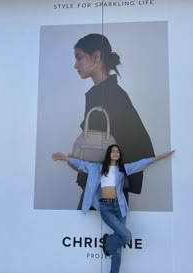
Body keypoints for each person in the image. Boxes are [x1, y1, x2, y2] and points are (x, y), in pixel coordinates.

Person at [52, 144, 174, 273]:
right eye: (113, 151)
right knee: (126, 236)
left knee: (118, 251)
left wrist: (161, 156)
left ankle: (110, 246)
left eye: (118, 151)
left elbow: (142, 163)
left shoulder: (123, 169)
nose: (116, 153)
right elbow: (81, 164)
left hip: (120, 207)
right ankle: (109, 242)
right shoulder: (97, 168)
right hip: (106, 207)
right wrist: (65, 158)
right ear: (109, 154)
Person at [73, 33, 155, 209]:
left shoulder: (110, 95)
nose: (75, 65)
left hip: (104, 186)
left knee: (95, 230)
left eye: (79, 58)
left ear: (96, 57)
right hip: (102, 184)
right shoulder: (105, 93)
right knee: (94, 230)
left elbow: (139, 143)